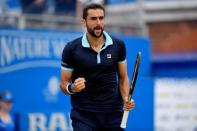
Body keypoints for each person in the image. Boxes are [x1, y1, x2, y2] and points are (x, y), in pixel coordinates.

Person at [60, 3, 135, 131]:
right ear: (84, 22)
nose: (98, 22)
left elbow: (123, 78)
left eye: (101, 18)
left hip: (113, 114)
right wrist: (72, 88)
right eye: (93, 19)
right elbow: (63, 83)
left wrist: (126, 99)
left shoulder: (118, 45)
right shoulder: (71, 49)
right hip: (84, 115)